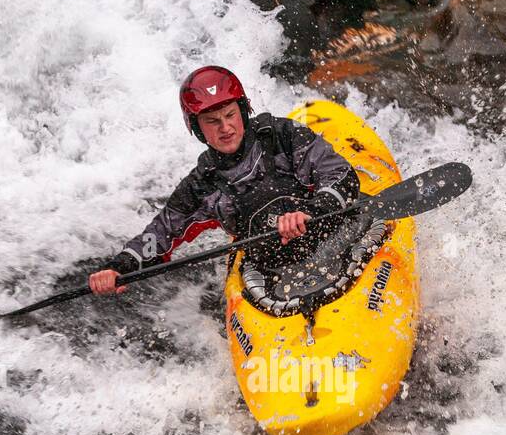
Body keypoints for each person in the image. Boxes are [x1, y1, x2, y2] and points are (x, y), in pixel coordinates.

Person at [89, 66, 361, 296]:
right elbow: (160, 234)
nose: (225, 128)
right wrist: (120, 267)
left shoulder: (283, 136)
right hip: (273, 268)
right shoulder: (201, 185)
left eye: (230, 115)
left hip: (335, 231)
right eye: (212, 121)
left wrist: (310, 212)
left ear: (243, 111)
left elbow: (342, 176)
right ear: (197, 128)